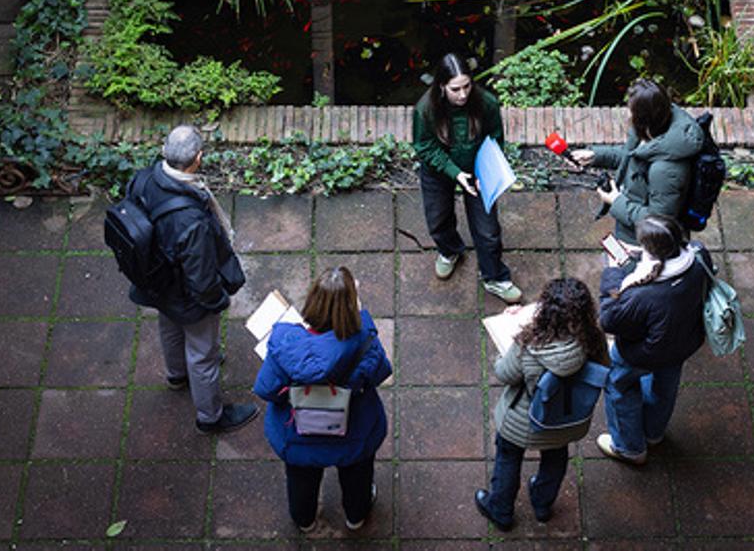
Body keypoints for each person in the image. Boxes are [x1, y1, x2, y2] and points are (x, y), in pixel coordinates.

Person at [128, 125, 258, 434]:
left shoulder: (143, 179)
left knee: (169, 326)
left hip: (156, 281)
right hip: (185, 291)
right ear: (198, 158)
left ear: (164, 152)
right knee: (204, 354)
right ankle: (210, 417)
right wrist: (216, 302)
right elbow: (201, 278)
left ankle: (177, 375)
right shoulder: (191, 220)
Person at [253, 266, 392, 532]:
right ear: (351, 306)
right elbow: (380, 373)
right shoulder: (365, 344)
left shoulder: (284, 343)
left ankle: (304, 520)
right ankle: (356, 516)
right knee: (357, 477)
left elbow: (266, 389)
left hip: (298, 436)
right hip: (354, 431)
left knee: (300, 479)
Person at [475, 277, 610, 531]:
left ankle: (500, 509)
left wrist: (515, 328)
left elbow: (504, 374)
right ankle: (542, 504)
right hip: (564, 421)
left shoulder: (528, 344)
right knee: (556, 459)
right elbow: (604, 367)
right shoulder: (593, 338)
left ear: (545, 311)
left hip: (522, 420)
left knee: (508, 458)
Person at [597, 215, 709, 464]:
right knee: (664, 387)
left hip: (641, 353)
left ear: (652, 252)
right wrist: (640, 257)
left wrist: (614, 272)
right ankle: (653, 433)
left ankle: (629, 447)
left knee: (619, 386)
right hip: (683, 344)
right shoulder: (699, 257)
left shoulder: (643, 295)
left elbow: (609, 319)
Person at [412, 52, 521, 304]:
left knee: (488, 230)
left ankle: (494, 277)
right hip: (439, 170)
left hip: (477, 170)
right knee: (438, 218)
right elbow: (425, 146)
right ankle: (449, 250)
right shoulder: (425, 110)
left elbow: (494, 139)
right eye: (455, 89)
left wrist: (487, 171)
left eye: (467, 86)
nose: (462, 95)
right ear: (442, 86)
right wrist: (454, 173)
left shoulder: (486, 103)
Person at [569, 79, 704, 247]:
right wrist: (595, 156)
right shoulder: (652, 131)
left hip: (643, 242)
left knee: (626, 271)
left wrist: (616, 201)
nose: (628, 115)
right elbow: (631, 157)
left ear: (644, 118)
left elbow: (658, 222)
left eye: (631, 111)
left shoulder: (666, 170)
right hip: (630, 219)